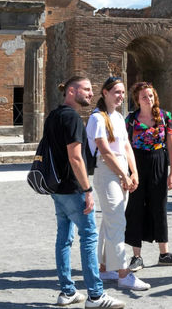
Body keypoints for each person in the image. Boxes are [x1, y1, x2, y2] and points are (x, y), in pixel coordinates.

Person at [45, 76, 125, 308]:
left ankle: (67, 291)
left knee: (64, 238)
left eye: (91, 90)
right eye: (86, 89)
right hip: (72, 187)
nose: (91, 94)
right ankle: (96, 295)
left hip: (56, 187)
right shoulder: (71, 117)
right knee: (88, 237)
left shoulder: (53, 115)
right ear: (71, 91)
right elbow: (75, 157)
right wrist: (87, 189)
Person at [86, 77, 149, 291]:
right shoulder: (97, 118)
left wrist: (134, 172)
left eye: (122, 92)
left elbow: (127, 146)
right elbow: (104, 150)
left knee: (110, 221)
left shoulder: (119, 117)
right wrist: (123, 174)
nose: (120, 96)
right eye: (116, 92)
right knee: (117, 222)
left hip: (121, 168)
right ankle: (124, 273)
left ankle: (104, 268)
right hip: (107, 170)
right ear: (105, 92)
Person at [124, 82, 172, 270]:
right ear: (137, 99)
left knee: (159, 206)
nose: (148, 99)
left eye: (151, 96)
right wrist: (128, 172)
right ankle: (136, 256)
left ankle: (164, 253)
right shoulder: (131, 120)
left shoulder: (165, 117)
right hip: (137, 163)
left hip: (159, 160)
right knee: (136, 207)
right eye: (144, 96)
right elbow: (125, 146)